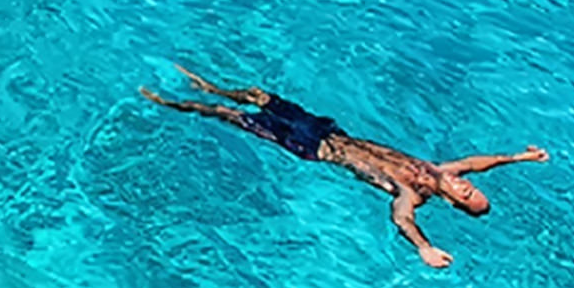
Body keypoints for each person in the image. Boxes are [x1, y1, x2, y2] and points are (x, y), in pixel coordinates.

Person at [141, 65, 549, 269]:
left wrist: (424, 248)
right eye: (474, 192)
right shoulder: (443, 170)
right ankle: (207, 84)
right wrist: (520, 157)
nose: (468, 191)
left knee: (227, 116)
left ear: (456, 207)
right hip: (328, 130)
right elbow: (482, 163)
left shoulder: (416, 193)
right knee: (257, 95)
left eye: (469, 200)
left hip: (311, 148)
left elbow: (401, 218)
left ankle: (170, 102)